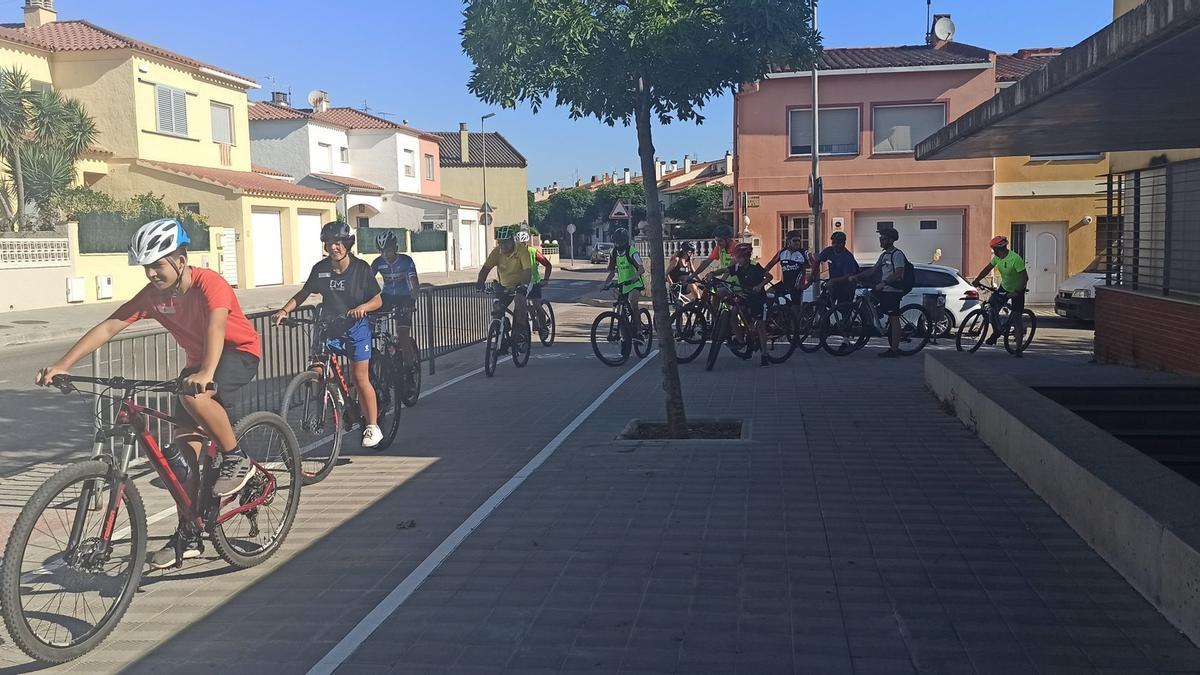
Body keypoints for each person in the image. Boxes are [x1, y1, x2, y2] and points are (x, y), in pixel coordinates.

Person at [36, 218, 263, 569]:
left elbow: (217, 326)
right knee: (185, 461)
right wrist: (63, 364)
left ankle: (237, 457)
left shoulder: (209, 283)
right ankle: (188, 536)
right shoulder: (154, 297)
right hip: (198, 367)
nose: (152, 274)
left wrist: (205, 373)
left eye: (158, 265)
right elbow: (109, 326)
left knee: (193, 396)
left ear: (180, 261)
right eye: (147, 267)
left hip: (237, 353)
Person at [274, 221, 383, 448]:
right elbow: (304, 293)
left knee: (360, 378)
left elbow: (378, 299)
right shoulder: (320, 268)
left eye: (338, 243)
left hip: (356, 327)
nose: (333, 247)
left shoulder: (361, 268)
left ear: (347, 244)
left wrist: (364, 307)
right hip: (329, 326)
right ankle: (334, 396)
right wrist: (285, 310)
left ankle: (372, 426)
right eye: (329, 243)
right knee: (316, 371)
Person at [850, 227, 909, 358]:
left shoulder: (897, 254)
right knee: (868, 299)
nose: (880, 241)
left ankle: (894, 349)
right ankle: (871, 326)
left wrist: (885, 282)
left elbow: (899, 272)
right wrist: (857, 276)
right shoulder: (884, 255)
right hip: (884, 289)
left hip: (894, 290)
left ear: (891, 240)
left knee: (894, 319)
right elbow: (873, 270)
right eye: (880, 239)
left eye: (883, 239)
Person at [972, 235, 1029, 355]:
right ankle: (997, 331)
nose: (993, 251)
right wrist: (977, 280)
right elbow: (988, 268)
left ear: (1000, 248)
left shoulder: (1015, 258)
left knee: (1017, 319)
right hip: (1004, 287)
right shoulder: (997, 258)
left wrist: (1017, 292)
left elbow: (1025, 277)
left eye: (994, 249)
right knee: (992, 307)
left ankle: (1018, 349)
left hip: (1018, 290)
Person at [370, 230, 420, 367]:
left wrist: (412, 299)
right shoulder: (378, 262)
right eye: (382, 251)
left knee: (403, 335)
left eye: (389, 251)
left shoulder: (406, 261)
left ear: (396, 249)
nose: (385, 255)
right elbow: (365, 282)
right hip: (387, 297)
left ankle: (410, 370)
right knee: (370, 321)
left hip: (405, 298)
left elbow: (414, 283)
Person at [476, 226, 533, 339]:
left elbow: (527, 270)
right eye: (500, 243)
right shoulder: (497, 252)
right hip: (504, 285)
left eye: (506, 242)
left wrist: (524, 286)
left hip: (521, 283)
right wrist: (480, 283)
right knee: (497, 307)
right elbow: (486, 268)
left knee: (519, 300)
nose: (503, 246)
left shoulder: (522, 250)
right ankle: (501, 330)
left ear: (512, 240)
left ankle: (521, 331)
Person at [722, 243, 773, 367]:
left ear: (746, 257)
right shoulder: (738, 267)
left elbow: (769, 276)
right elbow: (726, 271)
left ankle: (764, 355)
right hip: (745, 297)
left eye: (739, 257)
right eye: (736, 257)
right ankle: (740, 341)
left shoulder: (756, 267)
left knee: (760, 326)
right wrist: (713, 273)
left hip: (758, 299)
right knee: (733, 314)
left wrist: (759, 286)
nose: (737, 259)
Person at [602, 228, 647, 342]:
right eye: (616, 241)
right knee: (619, 307)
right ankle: (622, 332)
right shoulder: (613, 252)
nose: (618, 244)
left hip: (635, 283)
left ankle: (639, 331)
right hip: (623, 284)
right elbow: (612, 272)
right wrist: (606, 284)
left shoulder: (632, 251)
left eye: (619, 241)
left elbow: (641, 269)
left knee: (633, 301)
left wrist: (634, 277)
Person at [518, 229, 553, 338]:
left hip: (534, 282)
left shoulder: (533, 252)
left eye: (523, 244)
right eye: (519, 244)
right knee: (523, 306)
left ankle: (543, 327)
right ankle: (525, 329)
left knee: (537, 305)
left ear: (527, 243)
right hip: (521, 283)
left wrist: (546, 279)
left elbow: (548, 265)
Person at [762, 229, 811, 300]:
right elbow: (770, 264)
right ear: (788, 241)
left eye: (798, 240)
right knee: (769, 294)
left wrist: (808, 283)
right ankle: (776, 310)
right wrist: (761, 274)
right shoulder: (782, 252)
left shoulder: (804, 253)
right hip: (784, 284)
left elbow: (815, 266)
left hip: (797, 286)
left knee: (795, 309)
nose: (797, 243)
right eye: (794, 241)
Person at [817, 231, 862, 305]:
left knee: (843, 308)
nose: (835, 245)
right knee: (821, 304)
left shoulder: (848, 256)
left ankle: (846, 315)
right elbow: (817, 260)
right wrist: (813, 275)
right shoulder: (828, 251)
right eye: (833, 242)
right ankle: (825, 316)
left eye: (838, 243)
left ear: (844, 243)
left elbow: (847, 276)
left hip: (847, 286)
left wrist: (832, 281)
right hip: (834, 284)